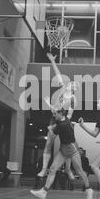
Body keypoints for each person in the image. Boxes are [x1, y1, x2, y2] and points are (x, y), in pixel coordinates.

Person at [30, 109, 94, 199]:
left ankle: (89, 190)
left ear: (61, 114)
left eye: (56, 114)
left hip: (72, 149)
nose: (54, 115)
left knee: (80, 171)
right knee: (52, 169)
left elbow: (52, 136)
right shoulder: (66, 118)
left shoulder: (62, 125)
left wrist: (50, 129)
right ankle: (44, 191)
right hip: (63, 149)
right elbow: (63, 112)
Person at [37, 53, 79, 181]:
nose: (70, 84)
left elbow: (69, 115)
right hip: (54, 119)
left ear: (74, 89)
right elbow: (57, 73)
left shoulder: (73, 100)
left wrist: (49, 104)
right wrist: (52, 61)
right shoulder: (62, 89)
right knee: (48, 143)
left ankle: (68, 169)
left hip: (64, 123)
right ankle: (44, 169)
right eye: (71, 83)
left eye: (74, 85)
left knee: (68, 146)